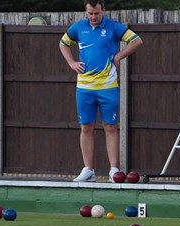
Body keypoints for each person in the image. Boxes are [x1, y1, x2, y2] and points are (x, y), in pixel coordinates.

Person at [59, 0, 143, 182]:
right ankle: (88, 170)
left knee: (110, 127)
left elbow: (136, 40)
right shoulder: (78, 27)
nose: (93, 17)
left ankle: (114, 170)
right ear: (85, 11)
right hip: (84, 88)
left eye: (96, 13)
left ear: (103, 10)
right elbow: (63, 43)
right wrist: (71, 63)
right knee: (86, 127)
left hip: (108, 87)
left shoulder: (113, 27)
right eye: (90, 13)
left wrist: (118, 57)